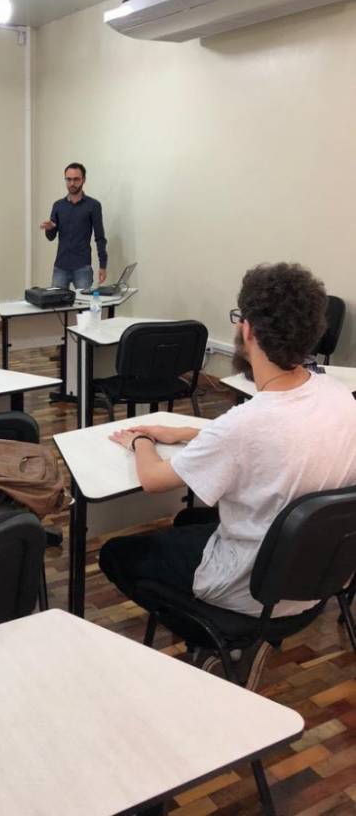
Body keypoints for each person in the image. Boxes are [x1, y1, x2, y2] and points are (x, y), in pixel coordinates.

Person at [99, 262, 356, 620]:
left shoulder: (243, 425)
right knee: (188, 520)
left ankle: (208, 628)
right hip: (317, 583)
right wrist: (189, 433)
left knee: (115, 553)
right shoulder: (340, 396)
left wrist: (140, 439)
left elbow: (153, 480)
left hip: (248, 589)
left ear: (247, 329)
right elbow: (274, 439)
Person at [40, 162, 107, 291]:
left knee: (84, 302)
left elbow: (100, 237)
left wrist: (103, 265)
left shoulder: (93, 206)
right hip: (60, 266)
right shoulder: (58, 206)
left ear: (83, 180)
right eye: (69, 179)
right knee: (56, 303)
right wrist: (50, 229)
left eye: (76, 179)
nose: (72, 183)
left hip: (82, 267)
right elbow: (51, 237)